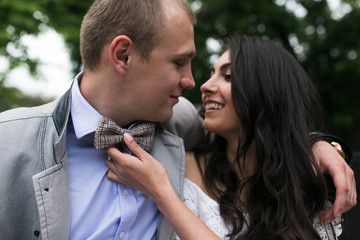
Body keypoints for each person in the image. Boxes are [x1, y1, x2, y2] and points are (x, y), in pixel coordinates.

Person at [0, 0, 355, 238]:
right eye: (178, 62)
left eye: (225, 75)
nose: (193, 82)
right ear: (122, 55)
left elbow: (266, 125)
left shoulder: (175, 125)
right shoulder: (10, 142)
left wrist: (317, 143)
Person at [105, 35, 357, 240]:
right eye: (212, 73)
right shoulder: (180, 164)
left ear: (267, 93)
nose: (204, 86)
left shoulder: (308, 189)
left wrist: (163, 194)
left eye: (227, 76)